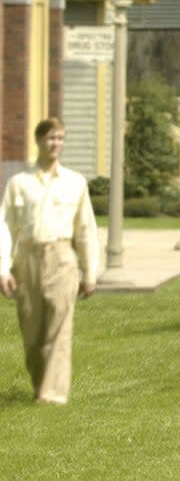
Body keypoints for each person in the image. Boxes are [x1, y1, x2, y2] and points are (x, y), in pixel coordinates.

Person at [0, 117, 100, 405]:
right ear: (38, 141)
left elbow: (86, 230)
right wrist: (3, 267)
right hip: (27, 260)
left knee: (59, 328)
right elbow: (5, 226)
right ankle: (40, 384)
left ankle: (52, 395)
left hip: (61, 259)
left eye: (59, 138)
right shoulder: (19, 183)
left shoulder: (75, 183)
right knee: (32, 334)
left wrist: (90, 271)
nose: (55, 143)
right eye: (50, 138)